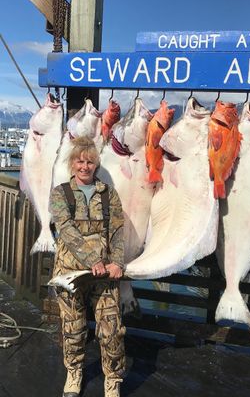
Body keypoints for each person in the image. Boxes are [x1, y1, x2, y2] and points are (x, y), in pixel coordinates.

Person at [49, 136, 126, 397]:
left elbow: (117, 230)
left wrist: (117, 262)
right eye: (80, 161)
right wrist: (93, 260)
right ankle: (74, 372)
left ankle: (113, 379)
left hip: (104, 275)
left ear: (96, 165)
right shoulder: (60, 193)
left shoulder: (109, 194)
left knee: (112, 330)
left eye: (90, 162)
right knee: (73, 328)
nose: (84, 166)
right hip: (70, 275)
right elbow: (66, 231)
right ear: (72, 164)